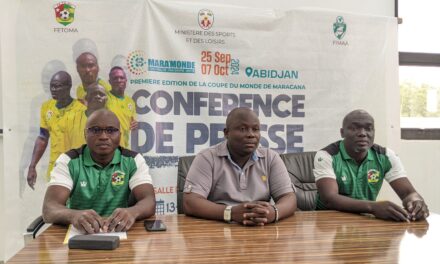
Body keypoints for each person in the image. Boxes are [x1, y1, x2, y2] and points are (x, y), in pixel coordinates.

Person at [42, 109, 155, 234]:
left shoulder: (133, 160)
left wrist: (132, 212)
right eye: (95, 130)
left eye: (111, 130)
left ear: (120, 135)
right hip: (80, 235)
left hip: (120, 233)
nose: (103, 136)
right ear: (85, 134)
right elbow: (49, 208)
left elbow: (149, 200)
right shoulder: (69, 161)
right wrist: (74, 215)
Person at [183, 107, 297, 225]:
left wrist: (273, 212)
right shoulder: (207, 157)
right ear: (226, 133)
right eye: (243, 129)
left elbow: (289, 197)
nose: (251, 135)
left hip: (261, 229)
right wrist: (230, 213)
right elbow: (190, 202)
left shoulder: (270, 157)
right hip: (218, 229)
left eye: (255, 129)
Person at [314, 109, 429, 221]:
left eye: (368, 129)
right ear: (342, 132)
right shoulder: (327, 155)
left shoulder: (386, 156)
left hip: (366, 220)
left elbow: (408, 193)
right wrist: (373, 207)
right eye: (354, 128)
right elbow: (329, 198)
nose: (363, 134)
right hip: (329, 221)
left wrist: (415, 202)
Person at [27, 71, 85, 189]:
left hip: (78, 169)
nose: (53, 89)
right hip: (55, 168)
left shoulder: (83, 110)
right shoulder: (46, 107)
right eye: (51, 86)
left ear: (68, 86)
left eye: (57, 86)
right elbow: (43, 137)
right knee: (55, 205)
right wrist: (32, 166)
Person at [60, 83, 108, 151]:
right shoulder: (70, 120)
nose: (97, 96)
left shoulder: (113, 121)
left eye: (101, 94)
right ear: (86, 97)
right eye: (94, 93)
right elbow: (65, 148)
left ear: (106, 99)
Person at [106, 66, 138, 148]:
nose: (119, 80)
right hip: (107, 148)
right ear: (110, 81)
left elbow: (133, 122)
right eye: (115, 78)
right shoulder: (104, 98)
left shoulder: (130, 101)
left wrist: (135, 124)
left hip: (124, 147)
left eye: (121, 78)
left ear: (126, 80)